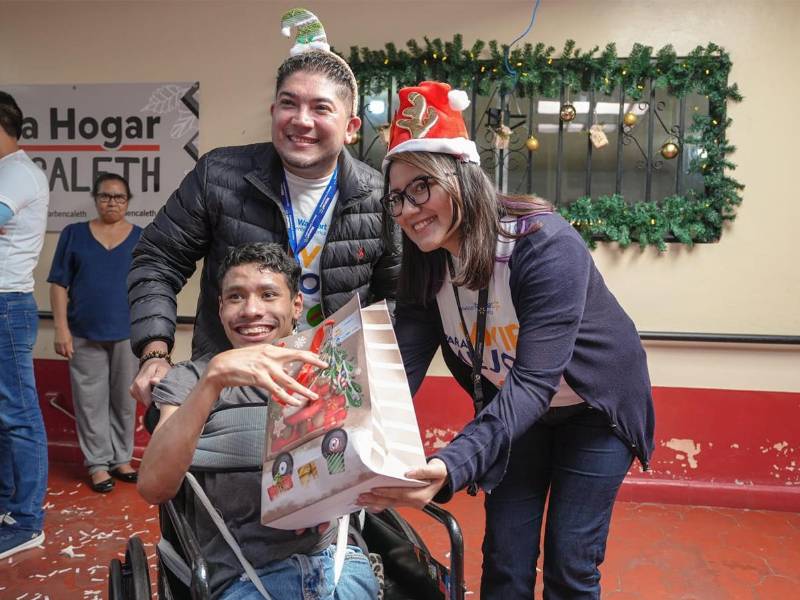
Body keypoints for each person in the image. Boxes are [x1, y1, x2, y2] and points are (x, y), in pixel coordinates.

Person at [357, 82, 655, 599]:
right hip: (516, 414)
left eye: (421, 188)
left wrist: (451, 462)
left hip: (592, 412)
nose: (407, 210)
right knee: (505, 561)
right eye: (397, 198)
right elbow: (397, 372)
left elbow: (534, 382)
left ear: (462, 178)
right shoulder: (425, 266)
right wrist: (351, 444)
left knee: (570, 563)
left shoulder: (543, 244)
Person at [128, 9, 399, 407]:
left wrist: (373, 381)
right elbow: (157, 260)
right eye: (289, 104)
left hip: (328, 394)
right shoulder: (219, 175)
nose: (301, 120)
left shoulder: (379, 197)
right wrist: (155, 351)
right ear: (273, 112)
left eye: (321, 108)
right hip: (229, 387)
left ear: (351, 126)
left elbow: (396, 302)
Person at [138, 241, 379, 600]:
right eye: (235, 297)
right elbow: (154, 487)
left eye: (268, 295)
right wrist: (213, 380)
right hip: (244, 576)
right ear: (220, 308)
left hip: (337, 563)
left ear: (296, 305)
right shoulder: (191, 379)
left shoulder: (331, 367)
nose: (251, 310)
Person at [47, 173, 142, 493]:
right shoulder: (74, 234)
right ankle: (98, 465)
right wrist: (61, 328)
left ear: (128, 201)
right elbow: (59, 283)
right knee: (90, 402)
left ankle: (121, 459)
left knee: (125, 402)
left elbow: (150, 285)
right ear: (95, 198)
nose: (112, 202)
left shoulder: (141, 237)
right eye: (105, 196)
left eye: (119, 197)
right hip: (83, 333)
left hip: (128, 333)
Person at [0, 91, 50, 560]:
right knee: (4, 415)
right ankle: (7, 506)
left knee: (18, 415)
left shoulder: (15, 171)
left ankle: (26, 520)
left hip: (6, 306)